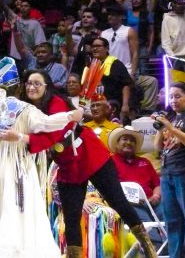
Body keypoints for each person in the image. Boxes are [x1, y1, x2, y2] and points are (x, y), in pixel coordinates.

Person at [19, 69, 157, 258]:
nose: (32, 87)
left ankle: (148, 247)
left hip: (92, 156)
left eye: (36, 83)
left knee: (118, 202)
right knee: (71, 217)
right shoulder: (27, 110)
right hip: (68, 166)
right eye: (28, 83)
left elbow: (54, 134)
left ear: (47, 86)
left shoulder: (56, 102)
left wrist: (22, 138)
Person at [0, 57, 84, 257]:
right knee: (20, 209)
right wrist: (70, 116)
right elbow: (47, 124)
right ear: (18, 86)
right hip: (18, 165)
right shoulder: (26, 109)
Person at [153, 82, 185, 257]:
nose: (173, 100)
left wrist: (171, 128)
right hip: (168, 173)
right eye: (171, 96)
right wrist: (161, 128)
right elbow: (158, 147)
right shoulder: (172, 117)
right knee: (172, 221)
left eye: (178, 96)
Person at [108, 126, 164, 250]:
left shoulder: (145, 162)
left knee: (169, 212)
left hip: (153, 201)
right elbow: (110, 188)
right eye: (125, 139)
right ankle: (157, 248)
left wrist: (156, 196)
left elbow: (157, 185)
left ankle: (173, 246)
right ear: (117, 144)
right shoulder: (110, 162)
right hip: (129, 203)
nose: (129, 142)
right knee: (147, 227)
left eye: (132, 140)